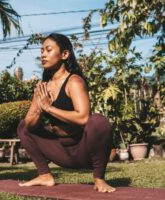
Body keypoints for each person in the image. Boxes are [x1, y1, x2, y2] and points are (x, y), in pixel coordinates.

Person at [17, 33, 115, 193]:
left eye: (48, 50)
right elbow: (29, 124)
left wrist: (49, 108)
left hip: (83, 151)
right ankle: (45, 176)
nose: (43, 54)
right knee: (23, 126)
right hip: (60, 151)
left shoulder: (74, 81)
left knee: (98, 121)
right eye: (42, 50)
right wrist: (40, 108)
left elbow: (83, 118)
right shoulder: (43, 87)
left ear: (64, 54)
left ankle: (99, 178)